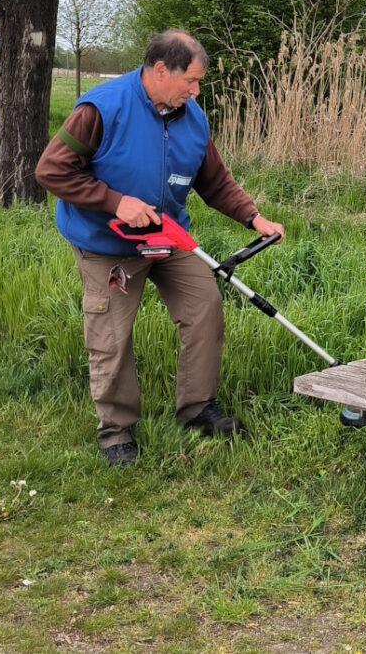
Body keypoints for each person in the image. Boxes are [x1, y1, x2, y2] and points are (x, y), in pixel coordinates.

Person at [36, 30, 284, 467]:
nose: (197, 90)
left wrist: (252, 216)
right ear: (160, 70)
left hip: (168, 236)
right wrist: (115, 201)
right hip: (106, 244)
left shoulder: (193, 118)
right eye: (191, 80)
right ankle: (116, 431)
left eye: (199, 83)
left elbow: (215, 181)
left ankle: (197, 409)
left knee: (205, 306)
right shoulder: (101, 108)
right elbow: (51, 170)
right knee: (111, 333)